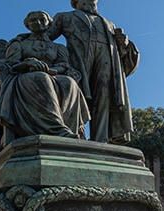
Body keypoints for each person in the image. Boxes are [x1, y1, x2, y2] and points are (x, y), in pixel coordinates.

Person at [0, 10, 90, 152]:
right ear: (28, 25)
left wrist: (50, 70)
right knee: (40, 77)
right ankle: (57, 129)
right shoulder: (19, 44)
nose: (38, 22)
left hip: (53, 75)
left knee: (70, 83)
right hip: (25, 78)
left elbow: (64, 65)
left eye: (42, 19)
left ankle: (70, 132)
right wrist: (27, 63)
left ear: (49, 23)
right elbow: (10, 65)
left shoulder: (58, 48)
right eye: (33, 20)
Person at [47, 0, 139, 144]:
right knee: (77, 95)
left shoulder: (109, 23)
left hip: (106, 58)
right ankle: (75, 135)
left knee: (104, 96)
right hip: (78, 61)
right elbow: (45, 37)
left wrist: (124, 44)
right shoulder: (64, 17)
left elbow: (121, 52)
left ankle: (100, 140)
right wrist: (22, 41)